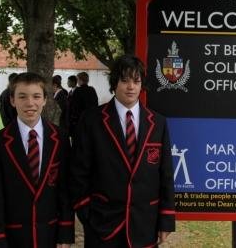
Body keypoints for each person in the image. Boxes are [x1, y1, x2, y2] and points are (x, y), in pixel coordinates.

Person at [70, 55, 175, 247]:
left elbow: (166, 174)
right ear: (114, 83)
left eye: (136, 81)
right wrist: (86, 212)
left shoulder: (157, 122)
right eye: (124, 80)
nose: (131, 87)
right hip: (103, 224)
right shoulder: (92, 120)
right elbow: (78, 171)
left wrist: (166, 218)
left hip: (145, 223)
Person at [0, 72, 74, 247]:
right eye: (22, 96)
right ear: (12, 100)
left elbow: (65, 189)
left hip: (50, 235)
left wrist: (65, 231)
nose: (30, 103)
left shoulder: (60, 138)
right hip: (13, 238)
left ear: (45, 99)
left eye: (36, 96)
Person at [68, 71, 98, 137]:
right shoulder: (92, 90)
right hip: (91, 119)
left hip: (80, 121)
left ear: (80, 80)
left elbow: (74, 107)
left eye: (78, 79)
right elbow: (96, 104)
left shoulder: (78, 91)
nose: (77, 81)